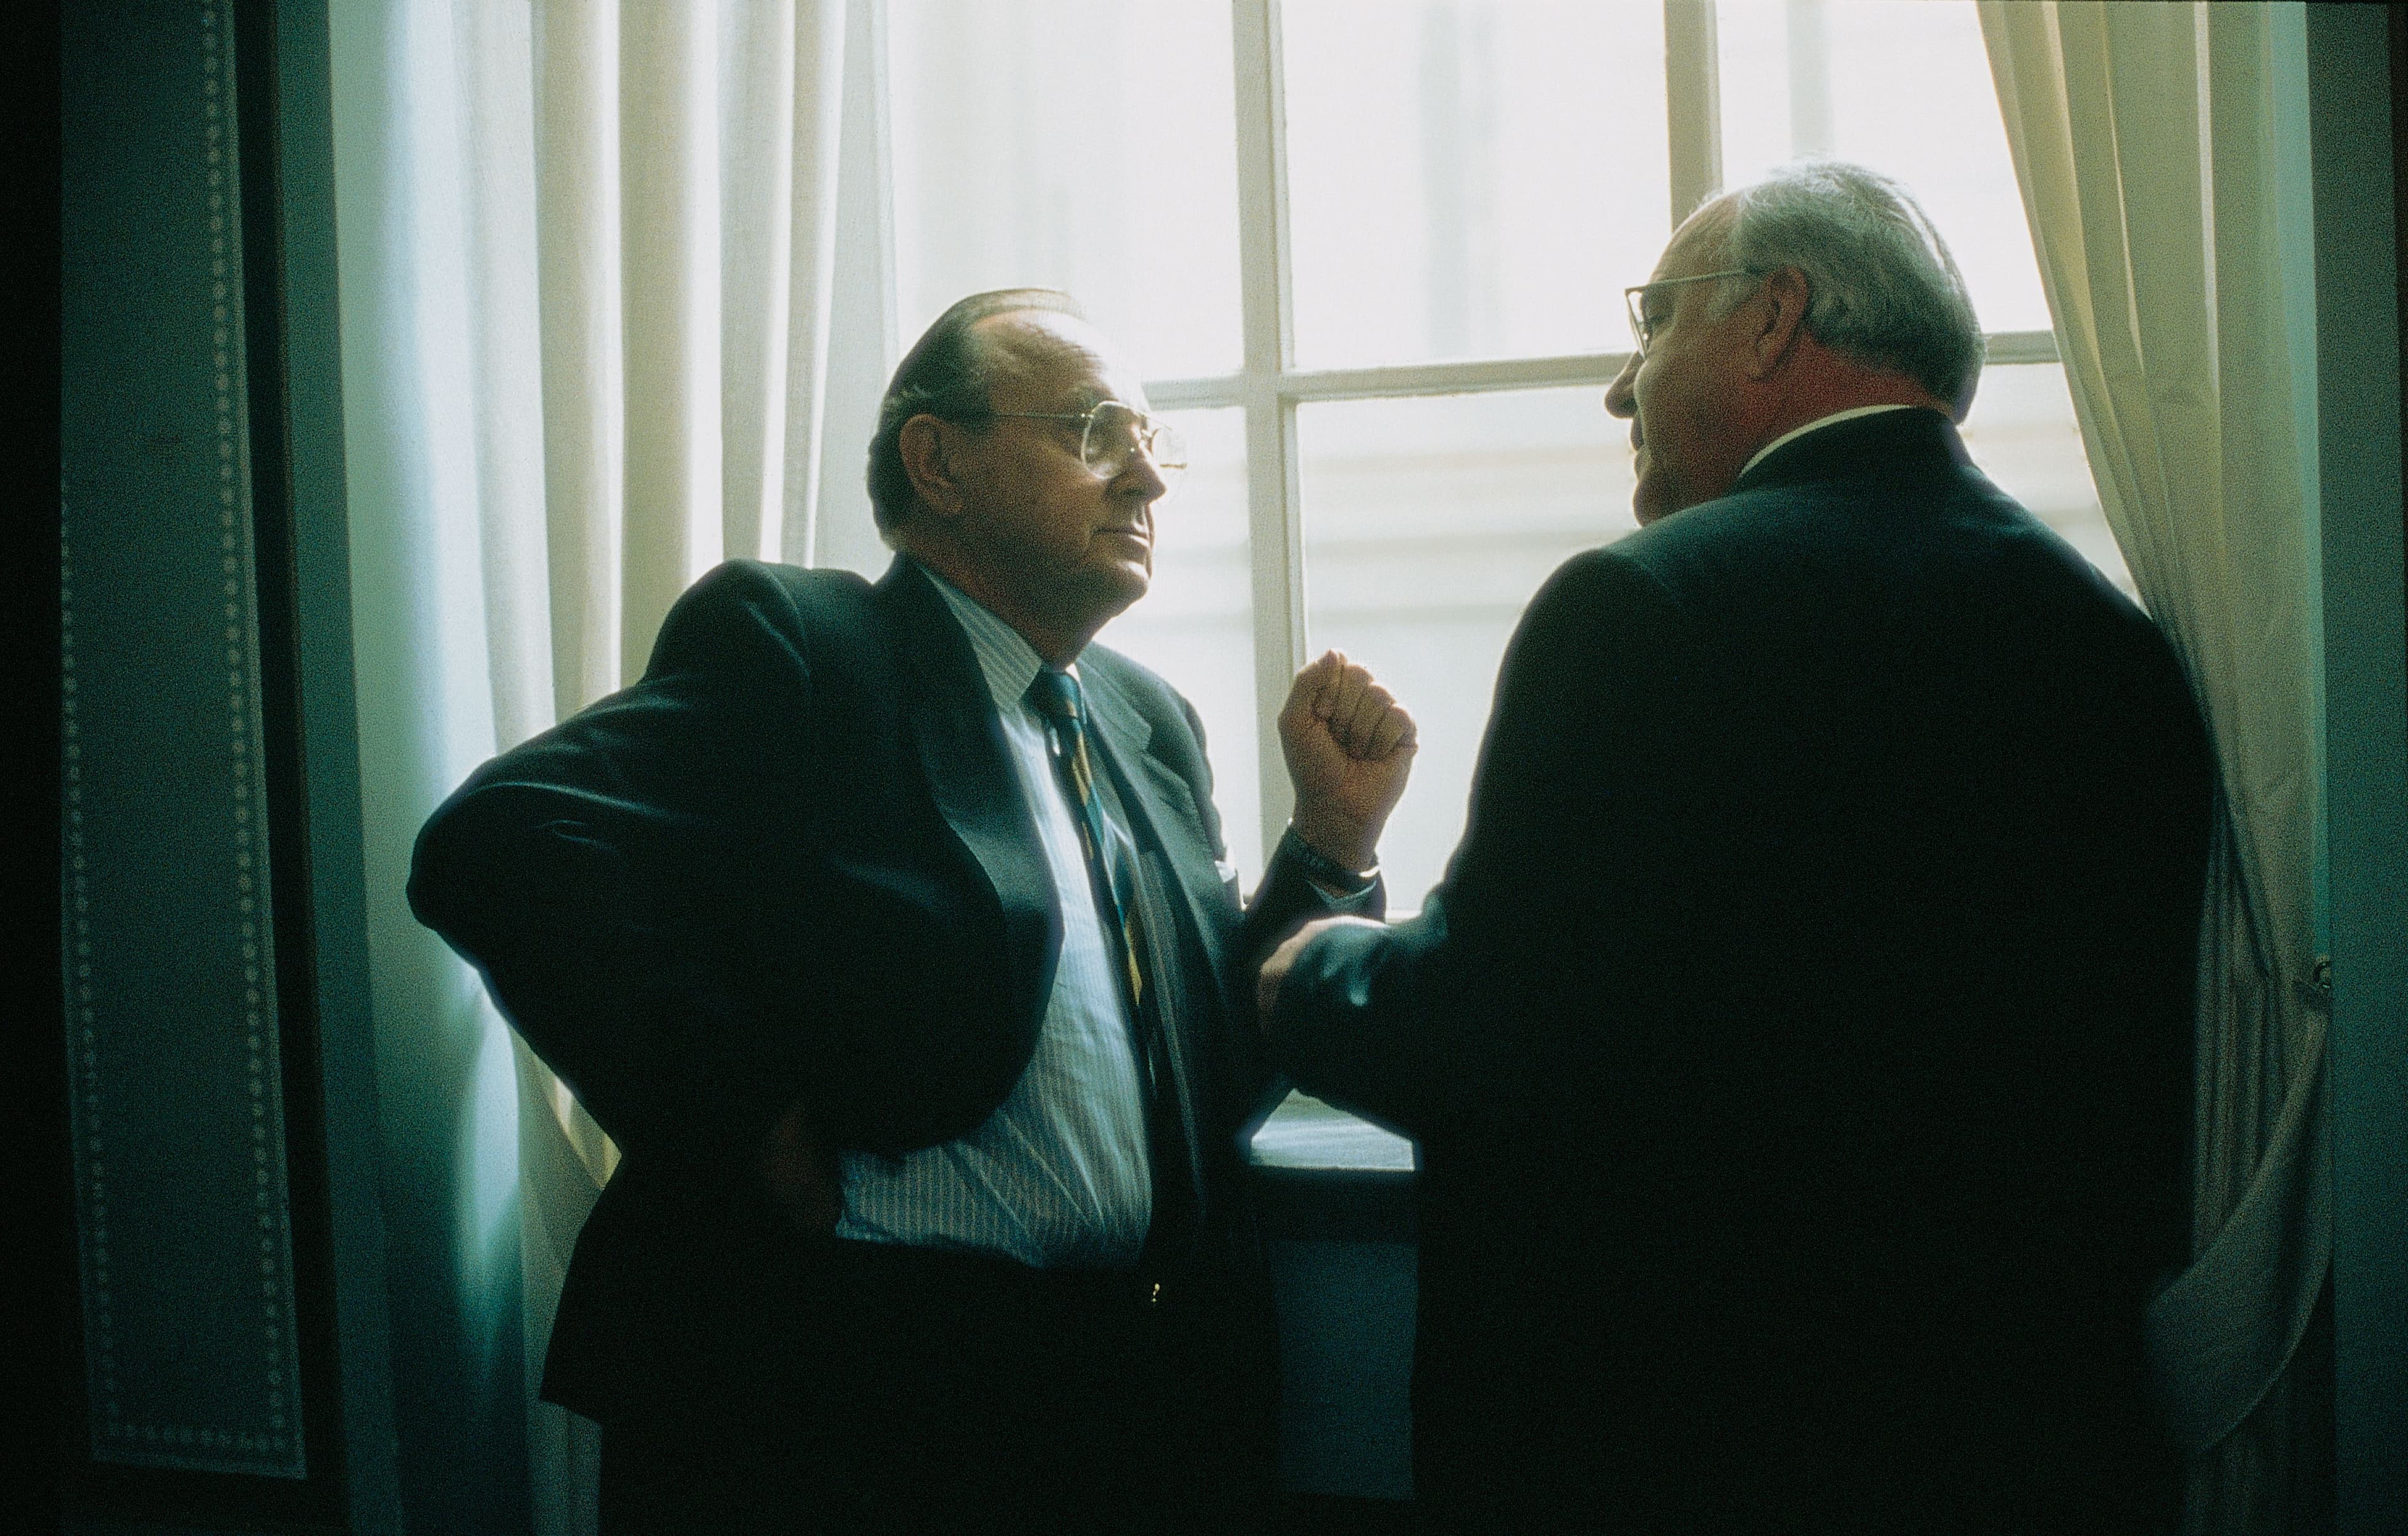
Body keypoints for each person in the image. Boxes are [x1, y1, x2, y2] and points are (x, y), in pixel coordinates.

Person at [1258, 163, 2212, 1532]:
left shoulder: (1645, 605)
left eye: (1653, 321)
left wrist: (1315, 965)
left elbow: (1494, 1034)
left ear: (1774, 319)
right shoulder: (2111, 640)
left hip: (1686, 1441)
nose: (1620, 388)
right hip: (2020, 1441)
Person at [409, 288, 1416, 1533]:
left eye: (1154, 441)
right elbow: (506, 840)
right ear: (938, 462)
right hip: (848, 1390)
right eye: (1095, 430)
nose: (1148, 476)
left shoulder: (1147, 718)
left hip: (1125, 1398)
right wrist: (745, 1113)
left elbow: (1206, 1074)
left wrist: (1332, 846)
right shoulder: (804, 643)